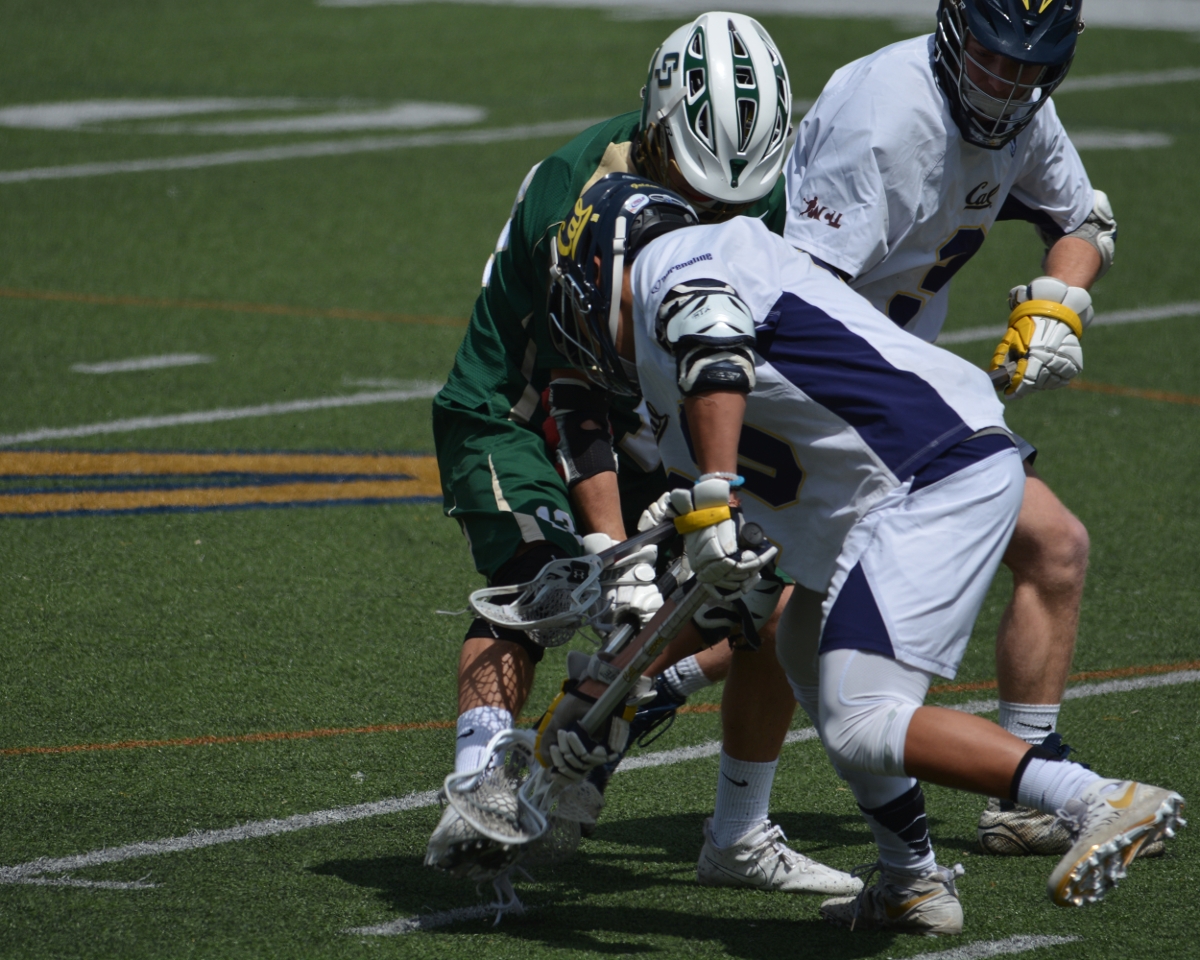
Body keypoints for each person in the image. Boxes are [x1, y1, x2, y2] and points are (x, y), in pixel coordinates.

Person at [539, 171, 1184, 936]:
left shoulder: (676, 262)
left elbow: (712, 345)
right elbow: (726, 580)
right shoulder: (685, 359)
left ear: (601, 264)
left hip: (927, 471)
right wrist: (613, 690)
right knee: (803, 649)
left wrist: (710, 498)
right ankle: (911, 881)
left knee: (864, 718)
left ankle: (1094, 798)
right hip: (893, 483)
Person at [426, 12, 858, 897]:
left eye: (736, 203)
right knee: (538, 586)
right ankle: (480, 776)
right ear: (657, 134)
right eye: (702, 193)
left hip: (655, 393)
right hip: (520, 399)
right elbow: (570, 386)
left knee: (744, 572)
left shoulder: (765, 199)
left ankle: (613, 715)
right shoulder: (580, 196)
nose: (717, 218)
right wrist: (603, 549)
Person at [780, 0, 1119, 855]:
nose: (1008, 85)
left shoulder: (1021, 107)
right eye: (994, 60)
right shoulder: (883, 121)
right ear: (955, 34)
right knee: (767, 610)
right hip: (838, 390)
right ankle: (622, 717)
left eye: (1030, 67)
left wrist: (1059, 306)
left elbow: (1083, 221)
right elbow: (798, 305)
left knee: (1054, 550)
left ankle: (1028, 789)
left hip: (908, 390)